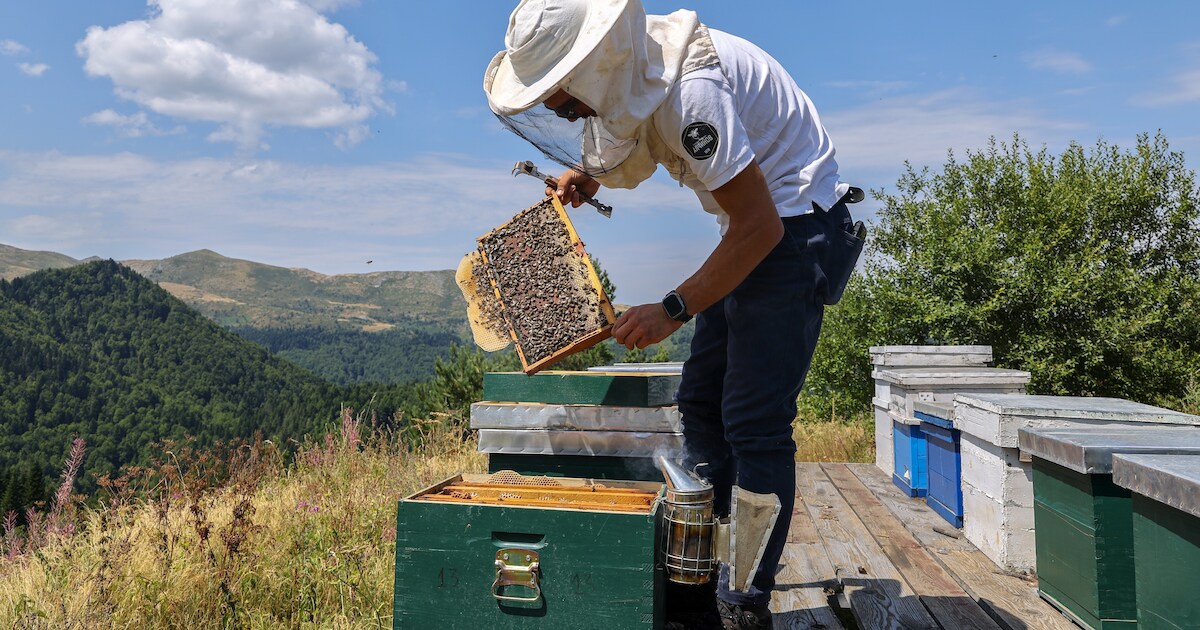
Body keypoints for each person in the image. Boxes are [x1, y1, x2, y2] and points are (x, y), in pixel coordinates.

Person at [484, 1, 861, 628]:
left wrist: (672, 308)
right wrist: (588, 175)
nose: (555, 107)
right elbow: (630, 128)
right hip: (757, 229)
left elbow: (760, 226)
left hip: (794, 230)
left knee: (755, 421)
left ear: (594, 64)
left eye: (558, 91)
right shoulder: (642, 69)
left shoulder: (693, 96)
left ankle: (743, 602)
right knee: (700, 402)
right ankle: (704, 571)